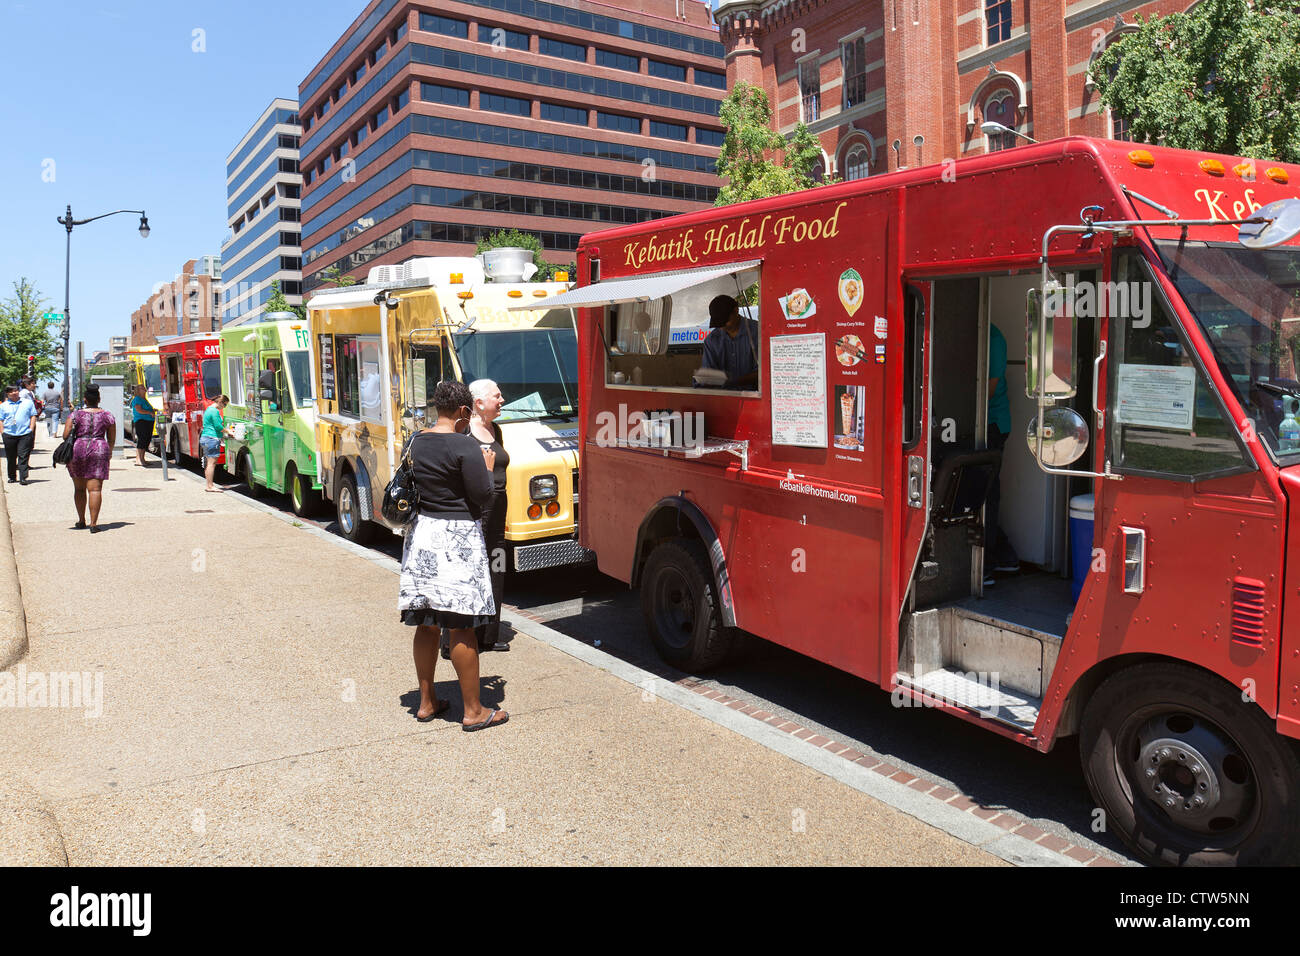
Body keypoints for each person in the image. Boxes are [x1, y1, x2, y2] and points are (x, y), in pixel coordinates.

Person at [401, 380, 507, 732]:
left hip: (422, 538)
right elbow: (481, 496)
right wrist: (487, 470)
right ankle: (474, 711)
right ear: (464, 411)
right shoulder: (464, 446)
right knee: (462, 625)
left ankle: (426, 703)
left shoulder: (416, 440)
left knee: (427, 621)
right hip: (456, 540)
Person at [466, 379, 511, 654]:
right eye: (497, 396)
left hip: (498, 510)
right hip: (476, 512)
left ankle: (489, 635)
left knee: (497, 567)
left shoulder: (497, 430)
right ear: (479, 403)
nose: (502, 400)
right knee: (472, 572)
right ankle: (462, 636)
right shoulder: (465, 434)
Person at [984, 324, 1020, 585]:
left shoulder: (994, 339)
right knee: (984, 491)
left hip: (993, 424)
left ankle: (987, 562)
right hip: (980, 421)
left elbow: (988, 390)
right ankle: (1004, 555)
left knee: (986, 493)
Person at [63, 384, 116, 531]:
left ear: (85, 399)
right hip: (99, 448)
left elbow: (65, 435)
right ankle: (93, 524)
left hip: (78, 449)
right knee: (95, 490)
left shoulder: (75, 415)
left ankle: (81, 521)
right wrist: (109, 452)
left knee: (79, 489)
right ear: (99, 399)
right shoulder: (107, 415)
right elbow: (111, 438)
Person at [701, 294, 760, 390]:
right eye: (718, 323)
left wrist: (733, 381)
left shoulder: (758, 332)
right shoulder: (711, 340)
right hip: (723, 399)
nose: (722, 326)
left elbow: (765, 372)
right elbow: (708, 372)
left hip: (753, 397)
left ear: (736, 311)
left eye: (725, 321)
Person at [1, 386, 37, 485]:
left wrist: (31, 428)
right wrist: (2, 432)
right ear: (8, 393)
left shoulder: (27, 403)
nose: (14, 393)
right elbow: (1, 419)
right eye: (12, 391)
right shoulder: (3, 406)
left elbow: (33, 415)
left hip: (25, 433)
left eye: (16, 391)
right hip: (9, 434)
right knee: (11, 457)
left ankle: (23, 477)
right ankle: (12, 476)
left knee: (23, 455)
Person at [200, 395, 231, 492]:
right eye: (225, 405)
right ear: (220, 402)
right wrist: (229, 431)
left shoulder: (209, 409)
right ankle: (210, 486)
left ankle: (209, 485)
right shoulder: (214, 411)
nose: (224, 407)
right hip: (212, 439)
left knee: (209, 463)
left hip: (205, 438)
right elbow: (218, 427)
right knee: (211, 464)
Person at [129, 384, 156, 467]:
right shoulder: (137, 399)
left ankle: (142, 458)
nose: (144, 389)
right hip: (142, 421)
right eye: (141, 388)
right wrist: (149, 412)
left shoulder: (144, 399)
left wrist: (153, 410)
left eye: (144, 388)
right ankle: (139, 459)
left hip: (148, 421)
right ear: (137, 390)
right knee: (142, 440)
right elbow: (139, 410)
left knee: (146, 440)